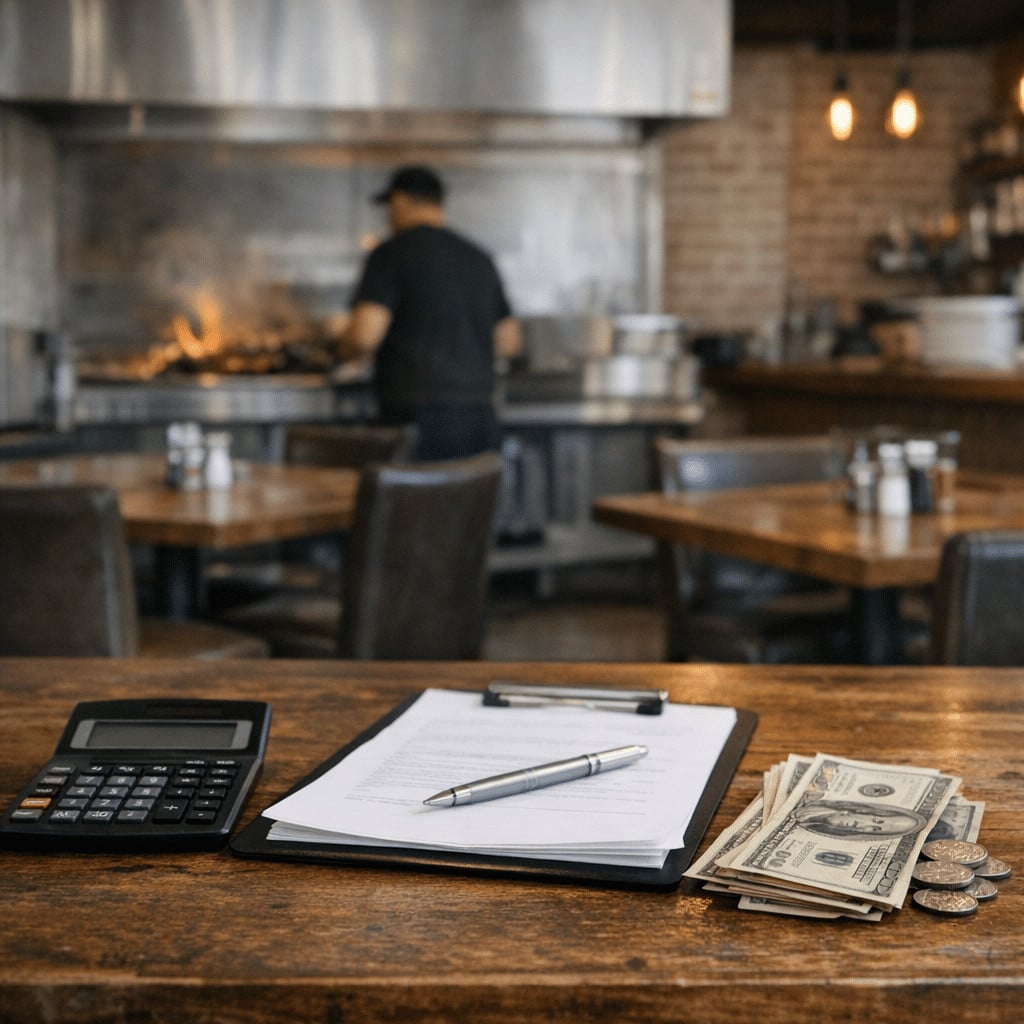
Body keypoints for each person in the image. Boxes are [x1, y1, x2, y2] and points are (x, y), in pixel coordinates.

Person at [338, 165, 520, 461]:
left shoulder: (390, 254)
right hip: (477, 417)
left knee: (413, 507)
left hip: (415, 417)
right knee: (470, 505)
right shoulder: (479, 259)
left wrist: (342, 347)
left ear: (400, 202)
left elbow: (363, 337)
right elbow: (509, 342)